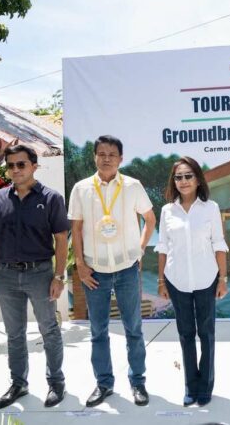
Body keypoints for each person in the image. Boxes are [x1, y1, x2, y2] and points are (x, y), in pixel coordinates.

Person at [0, 144, 69, 409]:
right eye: (11, 165)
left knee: (49, 330)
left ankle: (56, 382)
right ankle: (19, 383)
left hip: (39, 273)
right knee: (14, 334)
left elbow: (61, 238)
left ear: (34, 166)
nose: (15, 170)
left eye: (21, 164)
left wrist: (59, 276)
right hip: (5, 276)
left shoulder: (51, 198)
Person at [68, 135, 156, 407]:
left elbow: (150, 219)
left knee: (133, 328)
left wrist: (140, 250)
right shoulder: (82, 188)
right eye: (101, 153)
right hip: (95, 272)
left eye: (112, 154)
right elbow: (76, 230)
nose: (106, 158)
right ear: (94, 156)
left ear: (120, 158)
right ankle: (104, 384)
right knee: (98, 331)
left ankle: (138, 382)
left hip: (127, 270)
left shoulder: (132, 186)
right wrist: (81, 265)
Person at [155, 157, 229, 407]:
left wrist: (223, 278)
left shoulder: (211, 208)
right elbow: (163, 247)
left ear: (198, 179)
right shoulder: (167, 211)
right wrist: (162, 281)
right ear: (173, 182)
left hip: (207, 278)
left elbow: (219, 244)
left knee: (206, 333)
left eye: (188, 176)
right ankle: (190, 385)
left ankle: (206, 386)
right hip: (177, 280)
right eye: (179, 177)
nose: (184, 181)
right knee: (186, 334)